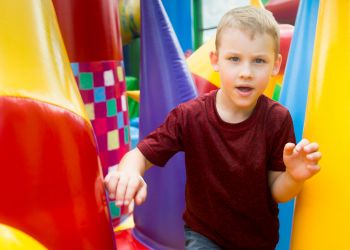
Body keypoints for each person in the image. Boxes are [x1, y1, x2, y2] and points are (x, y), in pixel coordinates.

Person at [105, 6, 322, 249]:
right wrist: (129, 171)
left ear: (275, 65)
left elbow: (277, 191)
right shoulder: (189, 116)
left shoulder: (277, 119)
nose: (246, 73)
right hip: (204, 236)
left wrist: (294, 176)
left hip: (258, 240)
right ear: (215, 60)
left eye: (259, 61)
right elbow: (140, 155)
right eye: (234, 59)